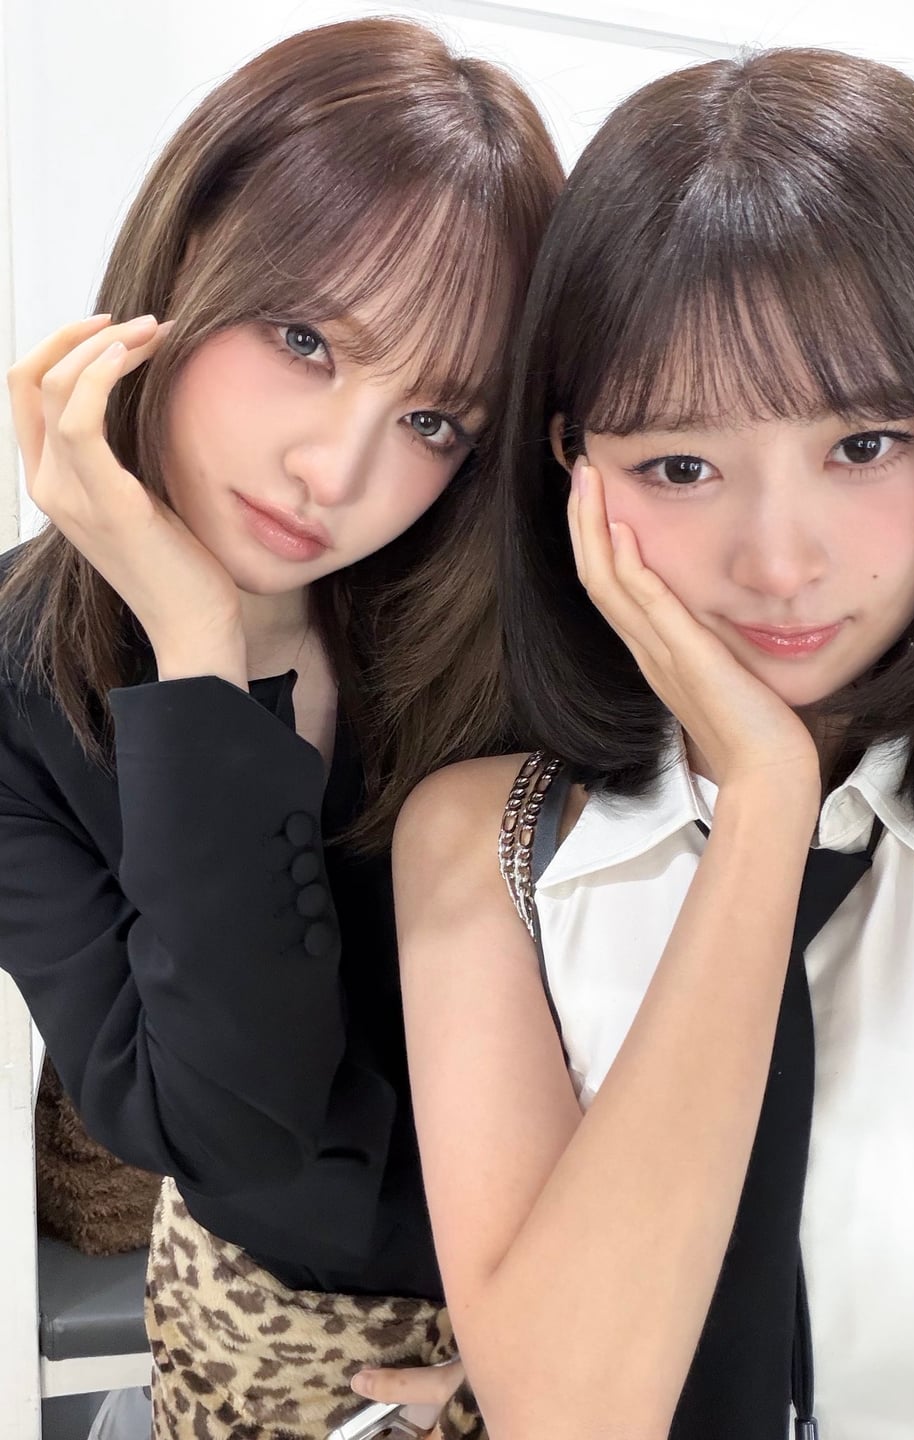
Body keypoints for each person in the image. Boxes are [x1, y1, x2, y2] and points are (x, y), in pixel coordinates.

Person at [390, 47, 914, 1440]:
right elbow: (572, 1415)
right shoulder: (489, 846)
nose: (779, 563)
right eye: (682, 466)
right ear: (572, 468)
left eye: (865, 445)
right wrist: (766, 801)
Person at [1, 18, 561, 1438]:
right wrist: (202, 659)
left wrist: (563, 1347)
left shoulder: (528, 642)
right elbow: (226, 1127)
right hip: (247, 1324)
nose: (336, 470)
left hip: (569, 1322)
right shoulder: (16, 678)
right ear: (184, 266)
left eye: (434, 421)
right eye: (305, 341)